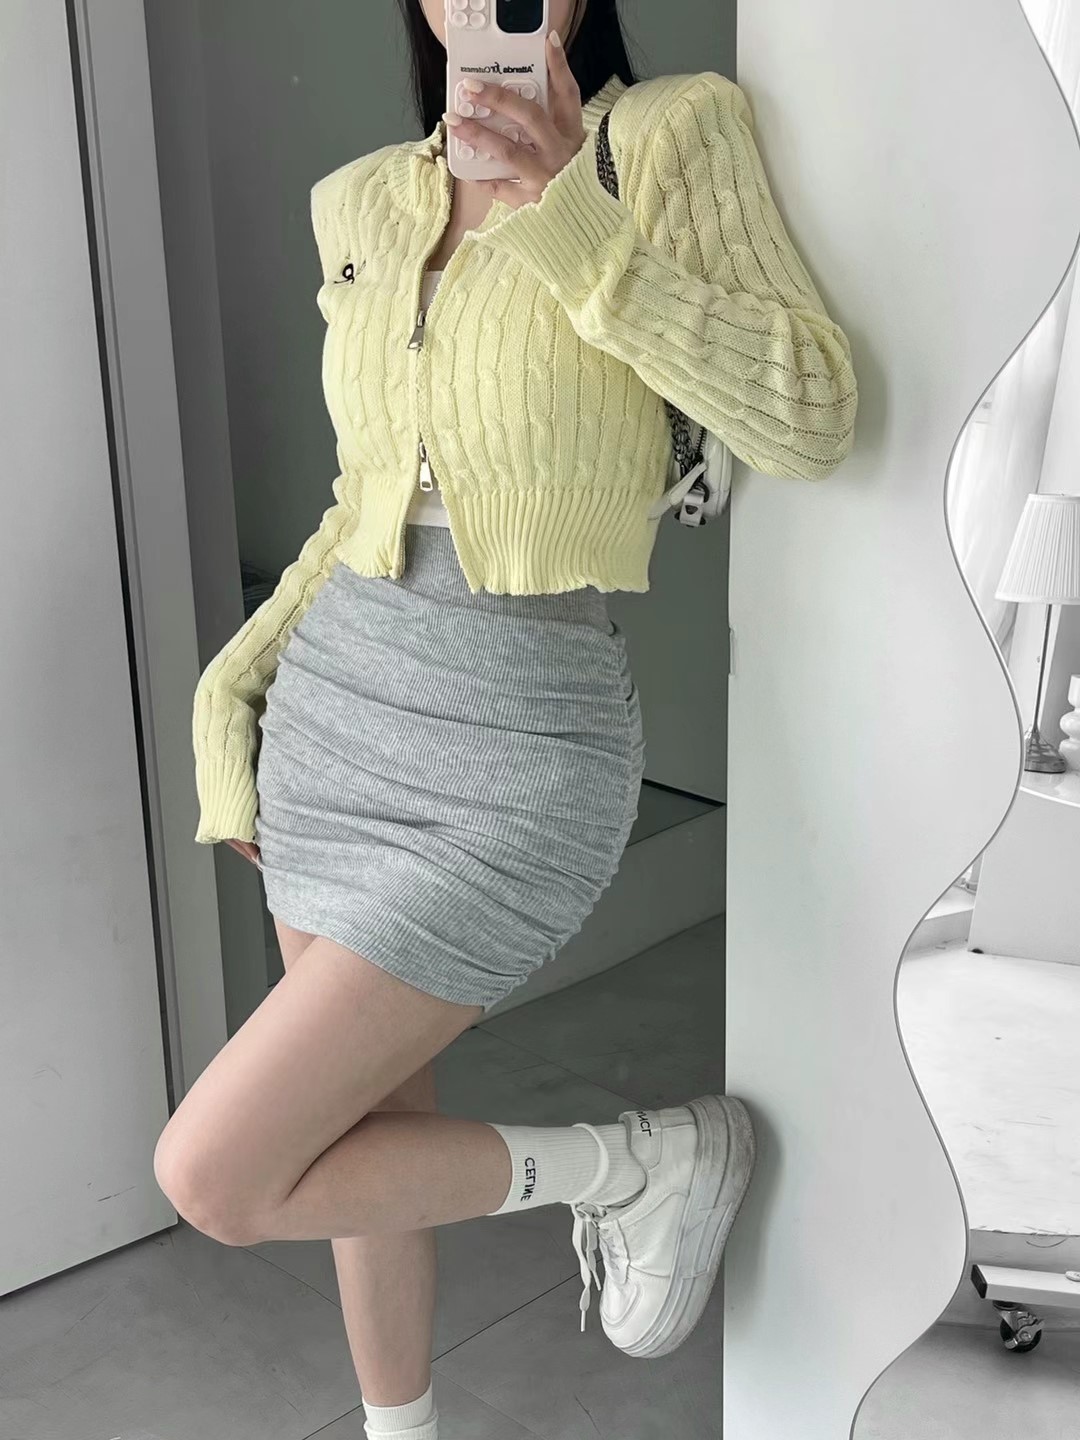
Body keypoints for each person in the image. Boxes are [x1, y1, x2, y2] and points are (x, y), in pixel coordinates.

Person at [155, 2, 858, 1436]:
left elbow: (809, 416)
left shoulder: (669, 136)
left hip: (522, 734)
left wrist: (569, 222)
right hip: (337, 715)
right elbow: (362, 504)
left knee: (215, 1175)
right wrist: (232, 687)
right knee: (369, 1132)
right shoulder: (361, 200)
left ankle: (638, 1163)